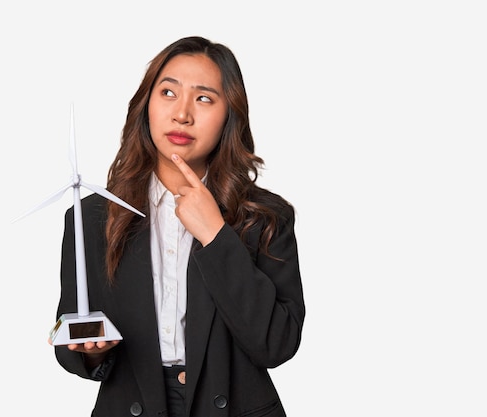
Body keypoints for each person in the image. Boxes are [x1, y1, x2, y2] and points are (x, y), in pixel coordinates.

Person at [52, 36, 305, 417]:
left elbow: (277, 344)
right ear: (146, 106)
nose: (182, 114)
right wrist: (92, 353)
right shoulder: (92, 217)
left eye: (204, 98)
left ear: (229, 116)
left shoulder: (266, 217)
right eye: (168, 92)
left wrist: (216, 235)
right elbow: (71, 329)